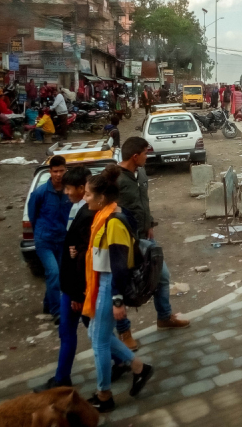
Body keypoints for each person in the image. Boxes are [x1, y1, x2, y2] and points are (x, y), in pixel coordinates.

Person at [82, 166, 154, 412]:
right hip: (104, 282)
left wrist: (117, 300)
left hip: (109, 285)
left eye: (88, 194)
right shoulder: (105, 216)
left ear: (101, 198)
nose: (85, 198)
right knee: (95, 335)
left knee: (99, 342)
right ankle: (138, 368)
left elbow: (119, 265)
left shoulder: (113, 222)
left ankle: (104, 395)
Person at [114, 137, 189, 351]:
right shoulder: (115, 179)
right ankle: (124, 332)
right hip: (125, 241)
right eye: (145, 153)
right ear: (135, 156)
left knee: (162, 276)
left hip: (146, 236)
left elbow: (143, 202)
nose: (148, 157)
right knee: (125, 287)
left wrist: (150, 223)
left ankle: (164, 317)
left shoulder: (142, 173)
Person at [34, 167, 94, 392]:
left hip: (76, 289)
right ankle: (62, 378)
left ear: (81, 188)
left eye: (69, 188)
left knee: (80, 332)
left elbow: (83, 259)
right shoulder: (77, 208)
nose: (66, 192)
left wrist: (77, 293)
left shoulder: (86, 213)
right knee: (86, 331)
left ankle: (130, 363)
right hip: (73, 287)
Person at [27, 155, 72, 322]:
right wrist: (40, 233)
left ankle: (48, 303)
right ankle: (57, 311)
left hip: (62, 239)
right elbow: (32, 215)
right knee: (53, 272)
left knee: (57, 275)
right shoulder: (40, 193)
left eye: (61, 170)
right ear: (50, 172)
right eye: (55, 171)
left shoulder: (69, 190)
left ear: (65, 170)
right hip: (44, 240)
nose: (58, 174)